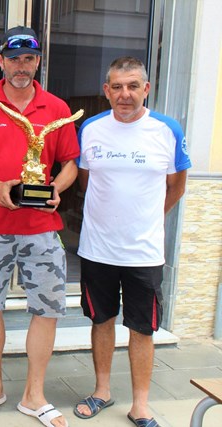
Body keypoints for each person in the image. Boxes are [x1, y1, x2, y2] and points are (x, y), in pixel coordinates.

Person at [0, 26, 78, 426]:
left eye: (29, 58)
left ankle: (33, 395)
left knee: (48, 310)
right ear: (1, 61)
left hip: (41, 227)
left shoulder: (57, 108)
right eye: (14, 58)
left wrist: (56, 187)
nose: (22, 66)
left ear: (38, 61)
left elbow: (71, 163)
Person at [73, 56, 191, 427]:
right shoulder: (90, 128)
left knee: (142, 328)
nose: (125, 95)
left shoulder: (166, 129)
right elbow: (84, 181)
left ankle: (141, 404)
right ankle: (102, 391)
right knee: (102, 320)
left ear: (146, 89)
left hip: (144, 252)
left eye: (133, 86)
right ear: (106, 90)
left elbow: (177, 186)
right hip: (97, 249)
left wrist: (148, 219)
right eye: (117, 87)